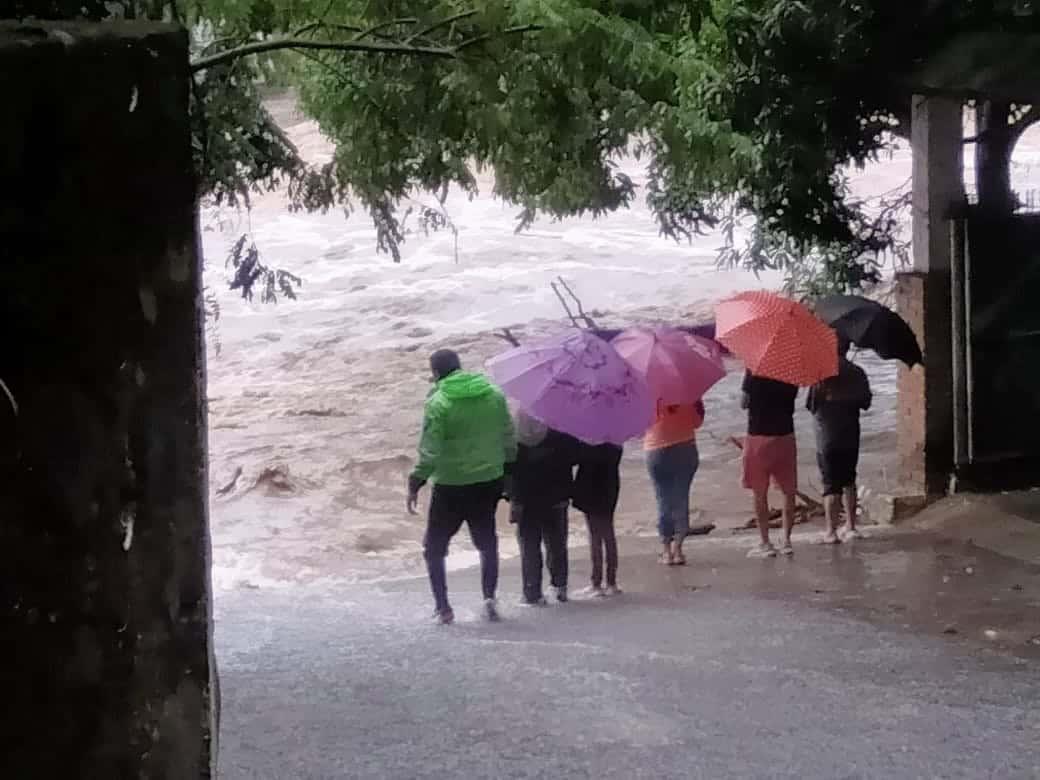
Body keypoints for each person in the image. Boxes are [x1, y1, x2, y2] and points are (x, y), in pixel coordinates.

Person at [407, 349, 516, 625]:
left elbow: (430, 450)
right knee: (486, 540)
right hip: (489, 480)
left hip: (451, 484)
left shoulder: (438, 402)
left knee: (434, 547)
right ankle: (490, 599)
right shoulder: (493, 394)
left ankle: (443, 608)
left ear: (435, 373)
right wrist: (509, 471)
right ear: (459, 366)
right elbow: (507, 435)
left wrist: (416, 479)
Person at [806, 338, 872, 543]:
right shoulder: (857, 372)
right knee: (849, 481)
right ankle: (851, 527)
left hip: (826, 438)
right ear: (847, 349)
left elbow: (811, 406)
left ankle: (830, 531)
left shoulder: (820, 375)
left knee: (830, 486)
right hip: (850, 435)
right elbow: (866, 403)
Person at [509, 411, 577, 605]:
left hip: (526, 496)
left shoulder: (517, 430)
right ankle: (560, 587)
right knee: (557, 542)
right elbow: (574, 456)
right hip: (556, 493)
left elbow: (509, 466)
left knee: (529, 544)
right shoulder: (558, 423)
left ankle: (532, 592)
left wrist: (512, 497)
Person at [741, 371, 799, 558]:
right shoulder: (791, 370)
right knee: (788, 491)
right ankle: (787, 541)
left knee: (759, 492)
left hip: (758, 435)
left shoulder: (754, 370)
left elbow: (744, 403)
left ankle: (765, 542)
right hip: (785, 435)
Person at [644, 400, 704, 566]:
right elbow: (697, 422)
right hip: (686, 447)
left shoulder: (646, 392)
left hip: (656, 449)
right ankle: (678, 549)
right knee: (681, 498)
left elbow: (637, 425)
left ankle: (666, 550)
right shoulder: (690, 391)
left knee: (663, 499)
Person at [572, 442, 624, 596]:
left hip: (590, 488)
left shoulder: (589, 440)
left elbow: (575, 458)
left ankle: (596, 582)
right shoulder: (616, 441)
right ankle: (611, 581)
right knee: (608, 532)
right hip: (610, 486)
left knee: (595, 535)